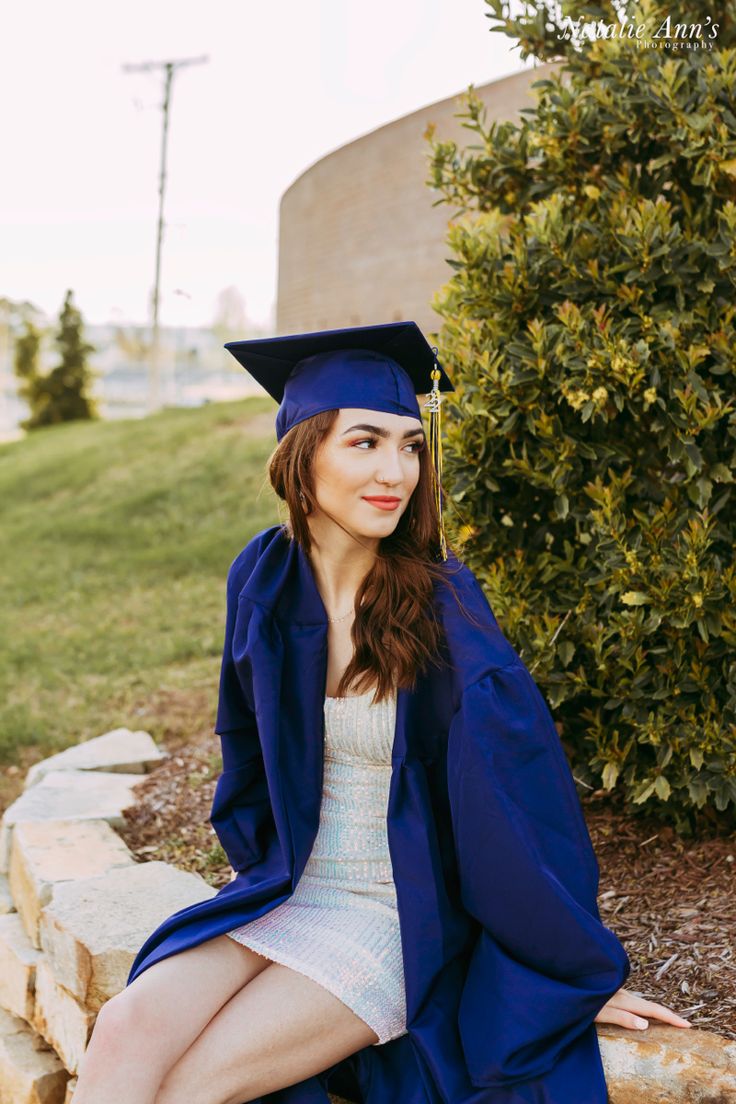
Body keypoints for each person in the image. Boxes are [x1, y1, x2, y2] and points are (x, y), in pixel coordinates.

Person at [72, 322, 691, 1104]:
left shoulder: (439, 602)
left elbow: (515, 796)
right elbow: (247, 753)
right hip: (285, 889)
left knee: (195, 1086)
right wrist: (257, 864)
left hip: (395, 914)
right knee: (125, 1030)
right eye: (364, 442)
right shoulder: (263, 579)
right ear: (303, 456)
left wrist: (565, 973)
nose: (395, 471)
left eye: (409, 446)